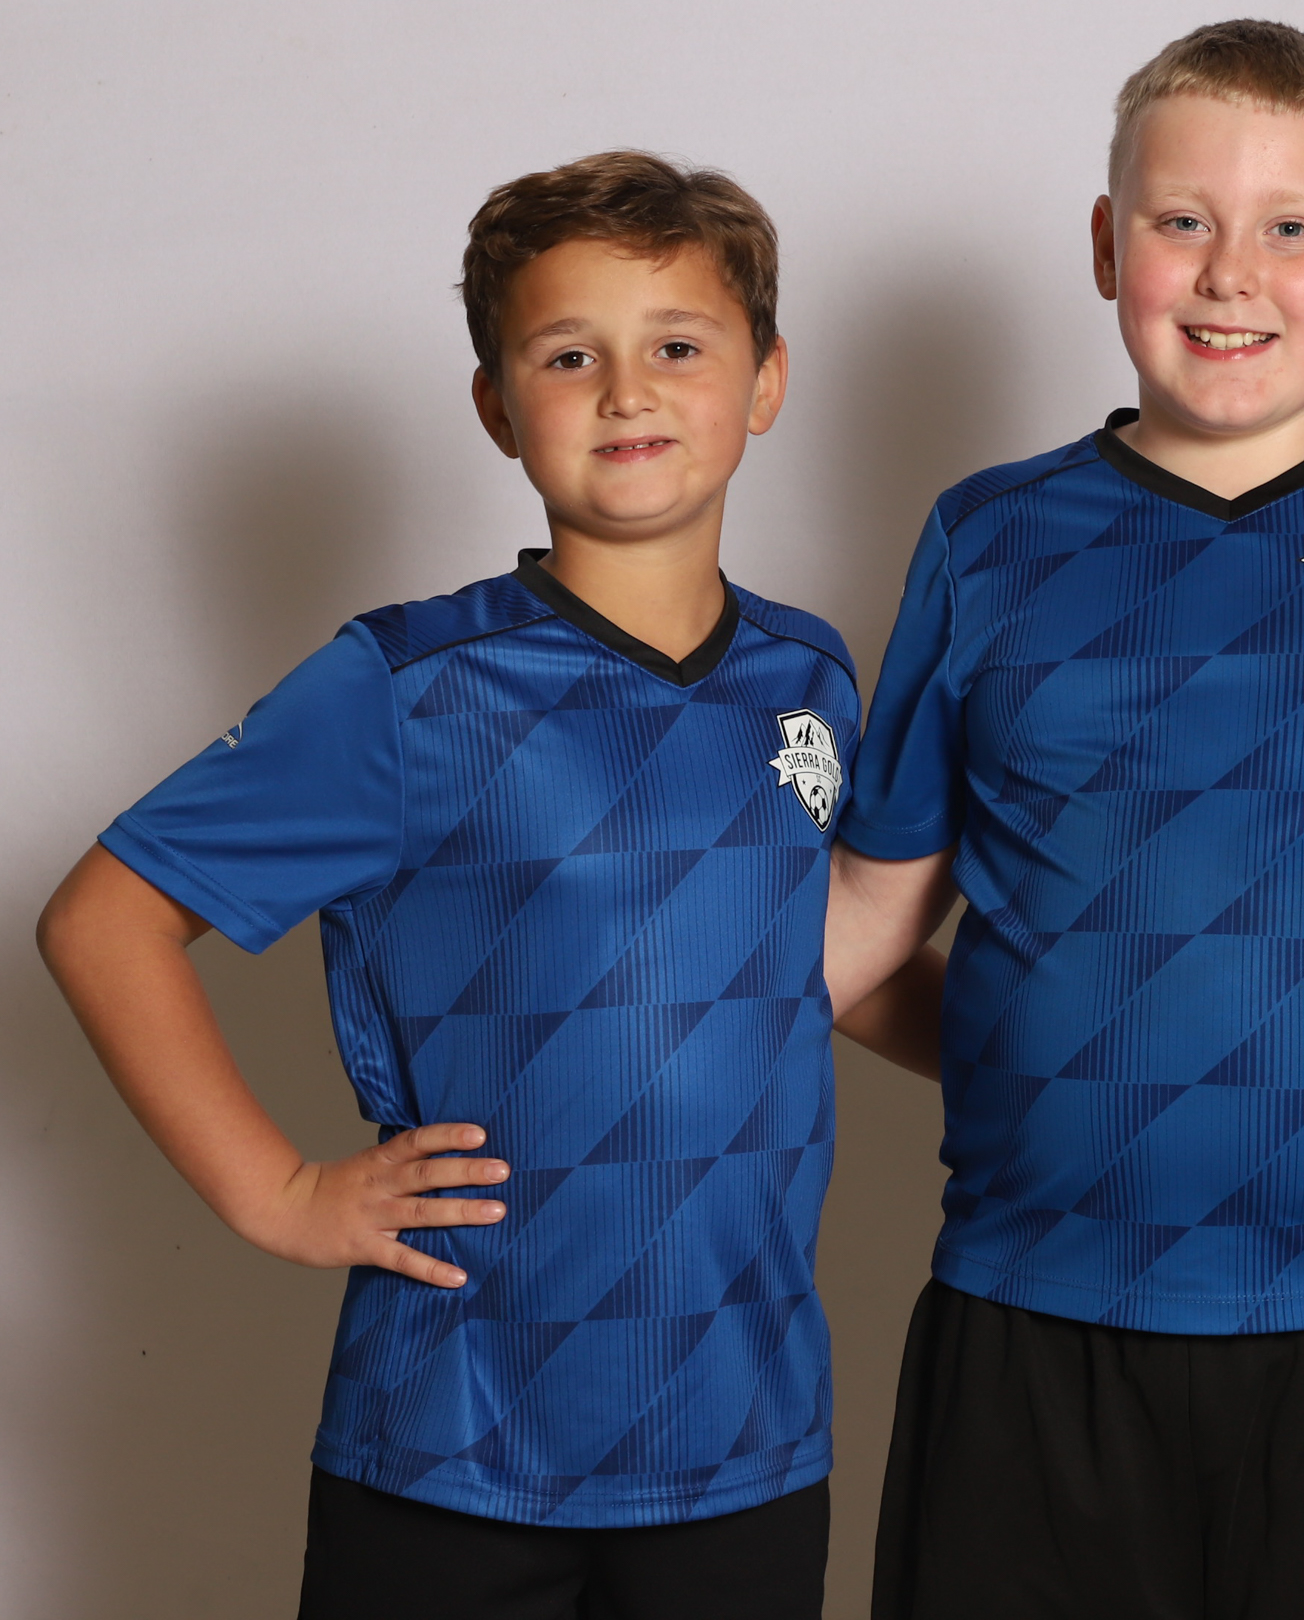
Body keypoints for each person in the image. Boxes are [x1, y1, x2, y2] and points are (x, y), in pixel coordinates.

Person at [37, 152, 904, 1619]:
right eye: (569, 356)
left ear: (765, 380)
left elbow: (808, 960)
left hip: (744, 1433)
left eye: (677, 347)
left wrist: (1048, 1047)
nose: (625, 392)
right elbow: (103, 919)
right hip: (457, 1440)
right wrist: (281, 1190)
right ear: (499, 406)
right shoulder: (410, 689)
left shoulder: (807, 674)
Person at [832, 19, 1304, 1619]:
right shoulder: (991, 539)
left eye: (1290, 228)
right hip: (1038, 1313)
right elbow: (858, 944)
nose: (1232, 274)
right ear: (1110, 246)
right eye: (1183, 221)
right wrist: (1069, 1035)